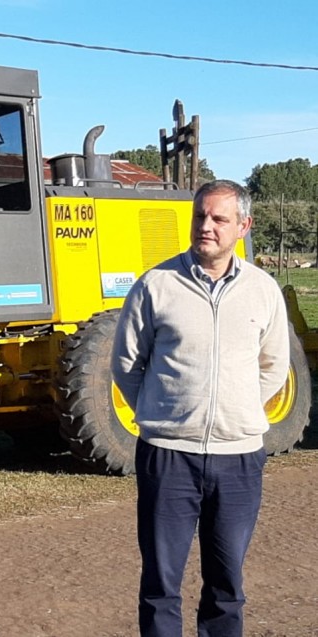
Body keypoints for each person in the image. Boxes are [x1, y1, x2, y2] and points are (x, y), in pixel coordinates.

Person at [111, 179, 290, 637]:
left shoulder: (263, 290)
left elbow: (274, 367)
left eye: (218, 219)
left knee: (227, 585)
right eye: (199, 216)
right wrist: (164, 414)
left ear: (243, 226)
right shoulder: (156, 285)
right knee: (160, 585)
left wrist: (240, 410)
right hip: (167, 457)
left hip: (239, 459)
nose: (205, 227)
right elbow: (127, 365)